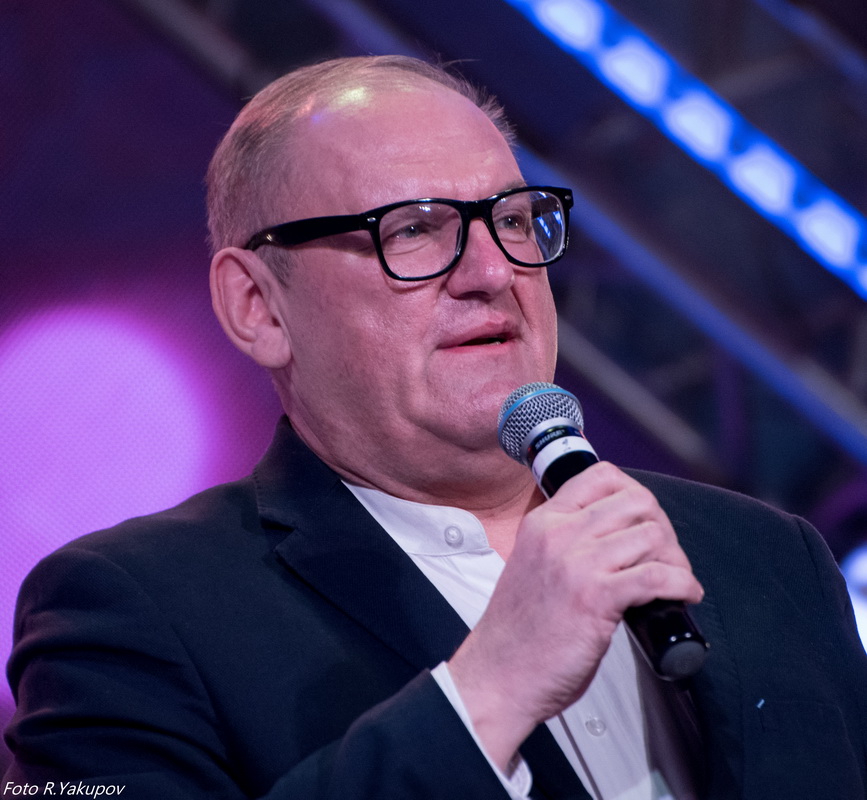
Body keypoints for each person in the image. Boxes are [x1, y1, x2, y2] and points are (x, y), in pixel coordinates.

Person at [4, 55, 866, 800]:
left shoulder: (766, 556)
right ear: (258, 305)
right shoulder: (130, 615)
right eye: (413, 229)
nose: (492, 270)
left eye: (513, 219)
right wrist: (488, 692)